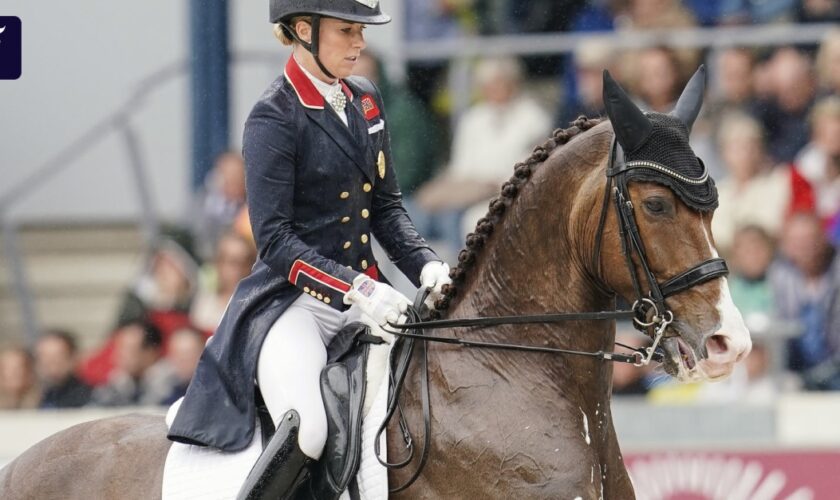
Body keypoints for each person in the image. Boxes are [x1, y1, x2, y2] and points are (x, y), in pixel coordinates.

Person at [166, 1, 452, 498]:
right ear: (303, 30)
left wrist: (427, 266)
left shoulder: (366, 99)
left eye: (361, 32)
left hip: (366, 299)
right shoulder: (273, 116)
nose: (360, 43)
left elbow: (385, 208)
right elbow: (275, 239)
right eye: (347, 31)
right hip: (293, 305)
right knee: (310, 429)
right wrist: (357, 286)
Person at [92, 321, 178, 407]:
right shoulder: (117, 383)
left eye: (127, 349)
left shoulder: (175, 385)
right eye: (119, 348)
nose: (119, 355)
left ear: (150, 353)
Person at [190, 231, 257, 332]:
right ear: (218, 263)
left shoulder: (258, 306)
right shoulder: (203, 305)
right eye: (232, 262)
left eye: (245, 262)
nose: (238, 269)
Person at [35, 329, 92, 409]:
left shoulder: (90, 397)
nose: (50, 362)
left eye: (58, 356)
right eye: (44, 356)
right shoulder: (35, 397)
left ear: (73, 357)